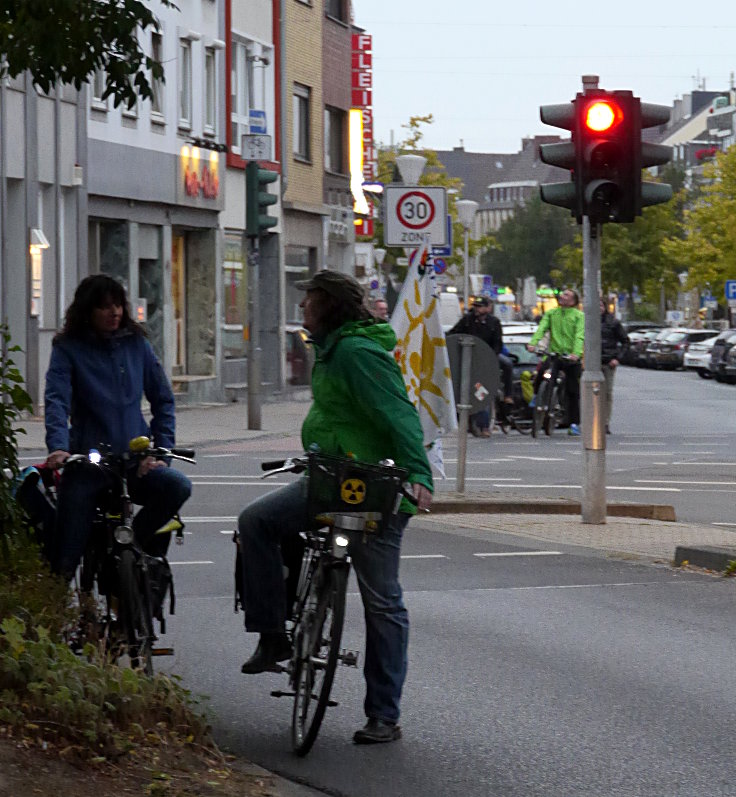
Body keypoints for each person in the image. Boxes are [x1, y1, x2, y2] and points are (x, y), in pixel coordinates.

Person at [237, 269, 433, 745]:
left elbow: (399, 412)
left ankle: (383, 712)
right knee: (260, 522)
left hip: (369, 486)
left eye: (310, 301)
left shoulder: (355, 352)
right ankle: (274, 635)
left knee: (382, 601)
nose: (302, 308)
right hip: (329, 477)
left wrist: (418, 474)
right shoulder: (332, 348)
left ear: (330, 306)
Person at [44, 274, 192, 580]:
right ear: (87, 311)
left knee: (177, 486)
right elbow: (56, 400)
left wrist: (162, 451)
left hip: (134, 462)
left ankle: (130, 544)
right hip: (89, 464)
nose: (114, 313)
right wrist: (58, 447)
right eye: (104, 307)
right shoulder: (69, 348)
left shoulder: (136, 345)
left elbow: (163, 400)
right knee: (66, 551)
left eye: (118, 305)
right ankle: (55, 607)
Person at [448, 296, 514, 436]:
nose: (477, 309)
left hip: (488, 356)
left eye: (480, 306)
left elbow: (497, 343)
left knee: (507, 364)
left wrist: (491, 358)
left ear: (488, 308)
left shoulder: (494, 322)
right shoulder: (467, 320)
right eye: (476, 306)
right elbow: (454, 333)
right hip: (470, 358)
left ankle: (508, 395)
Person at [526, 288, 584, 436]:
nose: (562, 296)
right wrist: (533, 343)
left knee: (573, 390)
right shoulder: (552, 314)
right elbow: (542, 329)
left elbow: (579, 335)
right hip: (555, 354)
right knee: (541, 372)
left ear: (573, 301)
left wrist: (576, 354)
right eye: (562, 294)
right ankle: (537, 397)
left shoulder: (578, 316)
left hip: (571, 358)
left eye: (566, 295)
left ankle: (574, 423)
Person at [600, 298, 629, 434]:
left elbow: (625, 341)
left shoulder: (613, 322)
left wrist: (617, 358)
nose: (598, 308)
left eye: (600, 305)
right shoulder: (586, 321)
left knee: (607, 394)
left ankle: (605, 422)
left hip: (607, 362)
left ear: (605, 307)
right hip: (590, 364)